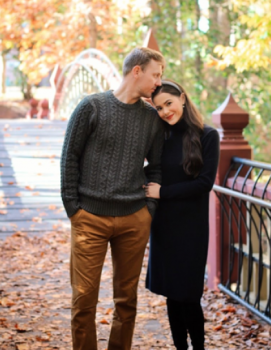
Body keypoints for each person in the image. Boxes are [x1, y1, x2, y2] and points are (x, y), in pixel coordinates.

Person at [60, 47, 165, 350]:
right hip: (89, 217)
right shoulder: (91, 107)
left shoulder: (151, 118)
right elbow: (70, 158)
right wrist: (73, 209)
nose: (159, 82)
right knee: (83, 300)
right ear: (137, 71)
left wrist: (149, 209)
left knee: (126, 301)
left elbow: (156, 167)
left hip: (134, 218)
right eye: (155, 75)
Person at [145, 80, 220, 350]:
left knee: (188, 296)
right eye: (158, 108)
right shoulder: (159, 138)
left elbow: (204, 184)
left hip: (191, 229)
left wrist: (162, 192)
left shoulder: (207, 136)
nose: (165, 111)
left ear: (183, 99)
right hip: (164, 227)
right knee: (172, 295)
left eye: (169, 103)